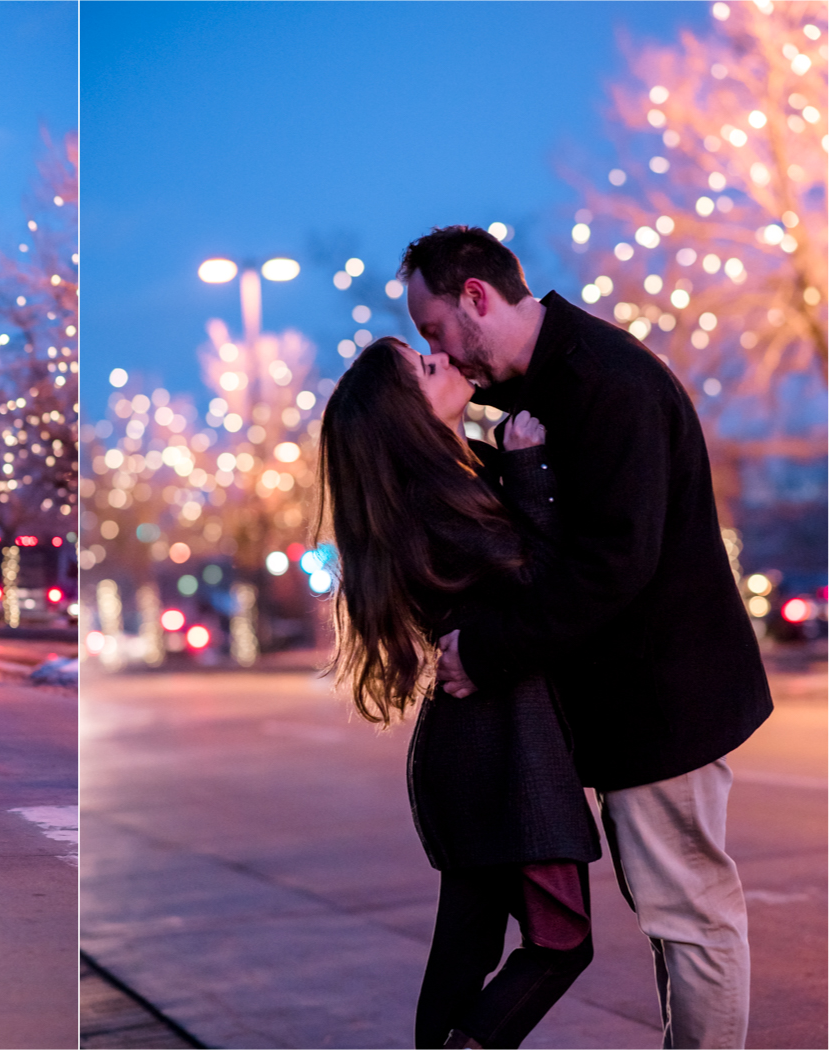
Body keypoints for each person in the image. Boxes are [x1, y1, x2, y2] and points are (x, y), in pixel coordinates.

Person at [402, 226, 772, 1049]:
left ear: (475, 298)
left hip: (664, 702)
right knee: (674, 915)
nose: (440, 354)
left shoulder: (604, 382)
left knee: (691, 915)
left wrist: (486, 654)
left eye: (435, 331)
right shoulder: (547, 386)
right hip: (630, 705)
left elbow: (613, 566)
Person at [318, 336, 600, 1049]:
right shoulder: (434, 499)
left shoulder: (434, 487)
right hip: (503, 752)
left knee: (465, 950)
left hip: (474, 748)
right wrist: (528, 467)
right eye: (425, 367)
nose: (442, 359)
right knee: (560, 941)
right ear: (405, 414)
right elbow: (540, 583)